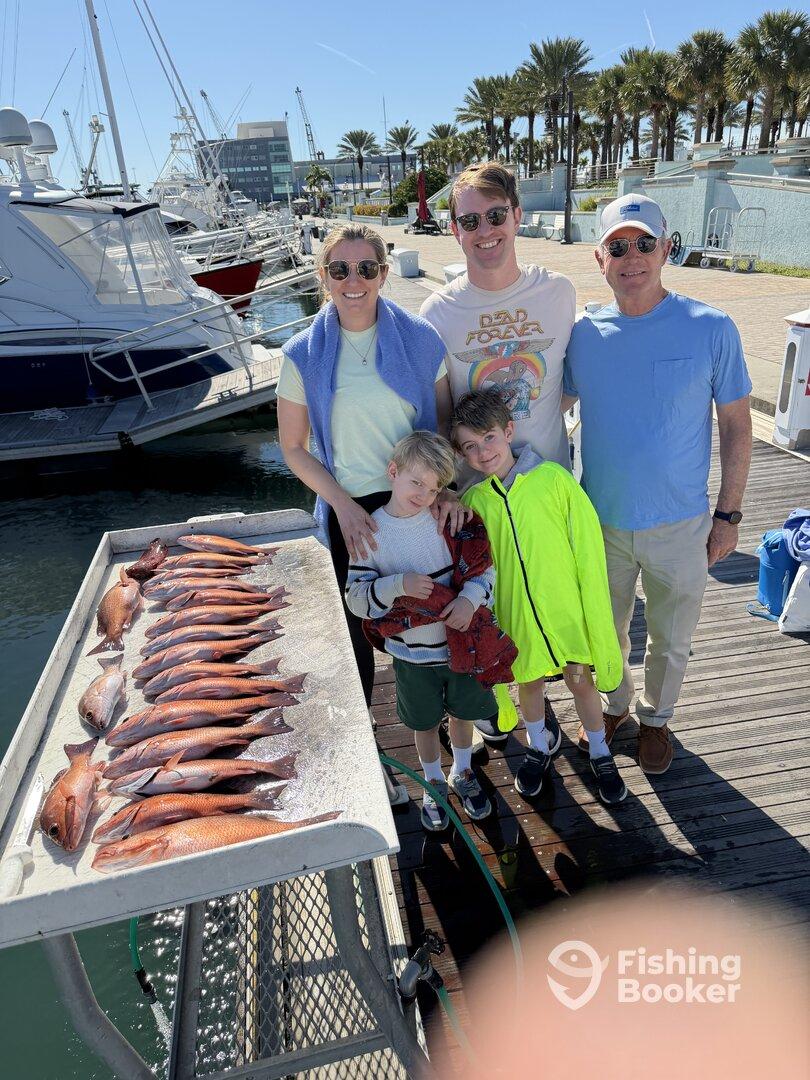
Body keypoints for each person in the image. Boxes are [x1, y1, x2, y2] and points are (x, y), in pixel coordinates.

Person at [564, 193, 753, 775]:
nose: (632, 257)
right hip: (602, 522)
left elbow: (738, 427)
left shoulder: (711, 327)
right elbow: (550, 412)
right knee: (607, 634)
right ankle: (616, 705)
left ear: (666, 248)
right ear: (600, 259)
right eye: (617, 246)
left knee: (670, 639)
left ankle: (657, 718)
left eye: (645, 243)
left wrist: (728, 516)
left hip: (682, 524)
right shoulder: (582, 334)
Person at [420, 161, 577, 748]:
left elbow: (569, 381)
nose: (485, 230)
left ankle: (538, 704)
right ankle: (493, 705)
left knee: (541, 599)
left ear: (515, 216)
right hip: (475, 495)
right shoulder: (436, 314)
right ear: (454, 230)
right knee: (486, 605)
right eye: (469, 220)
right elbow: (438, 415)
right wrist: (444, 491)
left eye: (495, 215)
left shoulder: (559, 293)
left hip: (545, 489)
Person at [277, 223, 463, 711]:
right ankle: (367, 743)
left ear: (383, 274)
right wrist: (341, 505)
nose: (352, 280)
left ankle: (445, 728)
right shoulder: (301, 355)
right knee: (356, 632)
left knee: (430, 615)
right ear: (324, 275)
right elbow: (294, 447)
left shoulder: (422, 341)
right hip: (350, 510)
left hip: (416, 501)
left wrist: (442, 489)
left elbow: (442, 423)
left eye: (366, 268)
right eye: (340, 269)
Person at [452, 389, 628, 806]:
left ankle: (601, 753)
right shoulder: (474, 501)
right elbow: (476, 564)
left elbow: (586, 546)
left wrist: (590, 607)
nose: (483, 452)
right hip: (516, 617)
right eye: (470, 447)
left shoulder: (554, 480)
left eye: (489, 438)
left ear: (508, 430)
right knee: (527, 682)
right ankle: (537, 745)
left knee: (580, 680)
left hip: (565, 609)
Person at [345, 432, 498, 830]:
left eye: (434, 489)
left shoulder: (448, 519)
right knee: (424, 724)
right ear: (392, 472)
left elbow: (483, 570)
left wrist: (471, 600)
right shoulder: (369, 532)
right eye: (416, 483)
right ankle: (433, 781)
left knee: (464, 717)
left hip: (460, 648)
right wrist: (397, 585)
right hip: (412, 658)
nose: (425, 495)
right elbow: (357, 600)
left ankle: (462, 771)